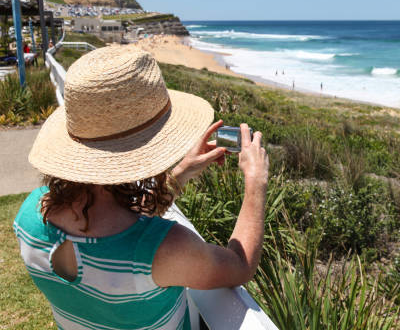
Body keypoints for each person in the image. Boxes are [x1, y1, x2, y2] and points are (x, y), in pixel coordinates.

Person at [13, 45, 269, 329]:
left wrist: (180, 174)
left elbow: (115, 228)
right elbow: (239, 265)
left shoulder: (29, 216)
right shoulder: (165, 249)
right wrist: (255, 182)